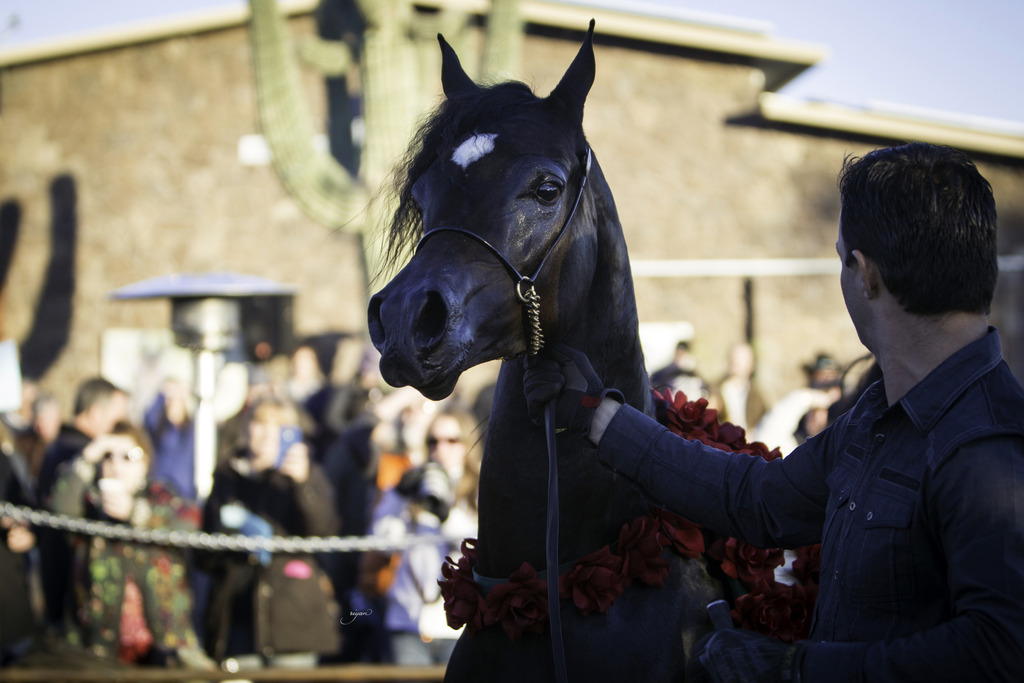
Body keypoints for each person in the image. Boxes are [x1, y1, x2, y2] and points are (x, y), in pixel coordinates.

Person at [523, 143, 1024, 681]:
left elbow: (998, 651)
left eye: (840, 257)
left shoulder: (988, 447)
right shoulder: (877, 418)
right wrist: (601, 420)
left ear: (864, 274)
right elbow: (760, 500)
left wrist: (792, 668)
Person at [49, 421, 211, 668]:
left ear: (145, 462)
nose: (116, 465)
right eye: (108, 457)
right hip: (98, 649)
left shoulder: (161, 495)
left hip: (163, 648)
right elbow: (59, 508)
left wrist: (135, 513)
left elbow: (191, 520)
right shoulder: (89, 503)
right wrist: (90, 453)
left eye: (128, 456)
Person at [197, 394, 341, 671]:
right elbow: (204, 555)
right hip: (237, 620)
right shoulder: (227, 476)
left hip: (293, 620)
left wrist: (304, 483)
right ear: (246, 426)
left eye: (279, 428)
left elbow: (326, 533)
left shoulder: (306, 476)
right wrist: (235, 536)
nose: (266, 435)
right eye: (260, 424)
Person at [366, 407, 480, 669]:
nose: (441, 448)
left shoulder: (481, 486)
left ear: (467, 442)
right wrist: (398, 494)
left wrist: (446, 516)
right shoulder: (411, 489)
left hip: (460, 624)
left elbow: (483, 543)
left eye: (452, 440)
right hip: (408, 621)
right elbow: (382, 542)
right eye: (433, 441)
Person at [35, 377, 129, 638]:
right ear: (96, 413)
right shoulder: (83, 455)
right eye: (118, 420)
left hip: (56, 575)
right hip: (76, 584)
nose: (121, 429)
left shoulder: (57, 447)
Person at [752, 352, 843, 456]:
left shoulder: (843, 411)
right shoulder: (801, 406)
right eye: (819, 376)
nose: (824, 381)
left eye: (830, 376)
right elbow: (769, 436)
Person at [708, 342, 766, 433]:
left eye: (742, 359)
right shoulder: (716, 390)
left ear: (751, 364)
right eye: (734, 358)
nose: (735, 362)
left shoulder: (757, 394)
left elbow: (765, 419)